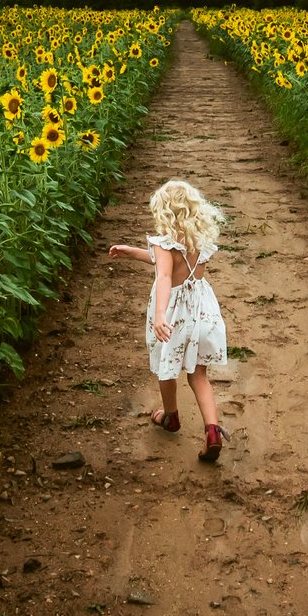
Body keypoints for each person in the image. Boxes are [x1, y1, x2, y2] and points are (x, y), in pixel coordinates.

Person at [107, 179, 230, 463]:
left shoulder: (164, 243)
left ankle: (171, 416)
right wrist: (131, 252)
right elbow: (171, 265)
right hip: (201, 311)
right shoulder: (200, 241)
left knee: (167, 368)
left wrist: (160, 314)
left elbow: (164, 276)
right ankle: (212, 431)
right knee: (199, 375)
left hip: (174, 313)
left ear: (164, 212)